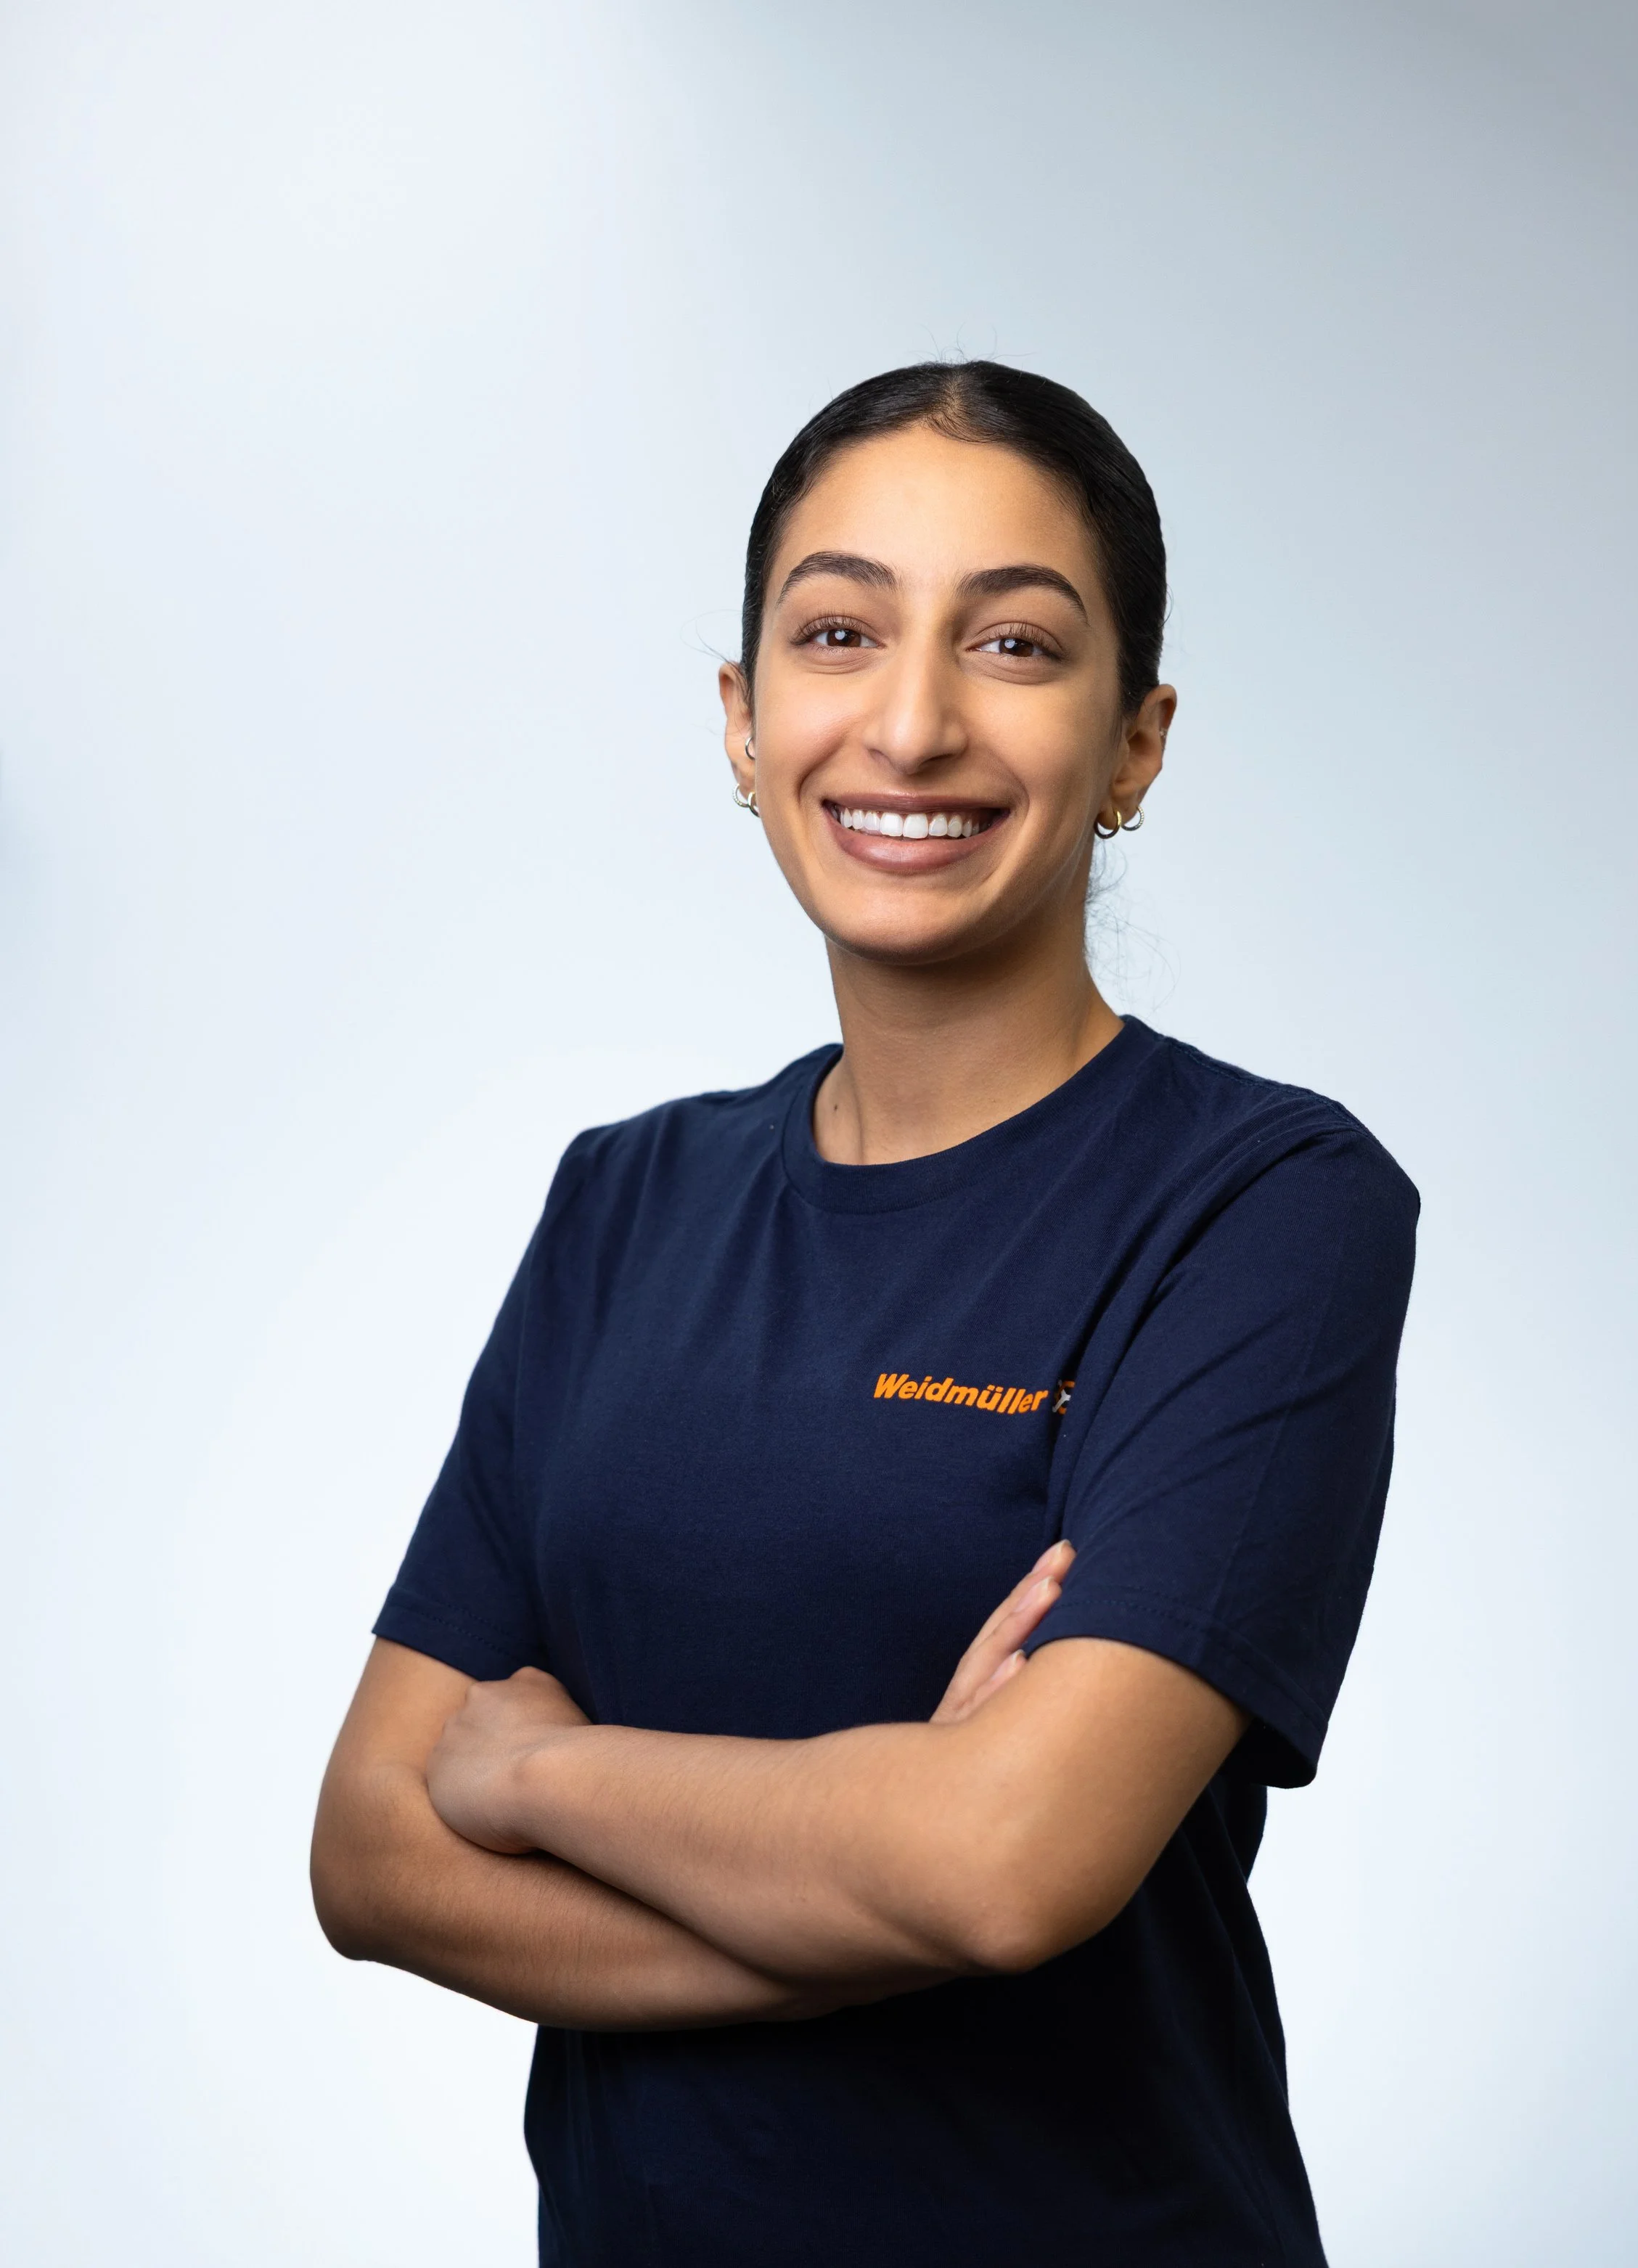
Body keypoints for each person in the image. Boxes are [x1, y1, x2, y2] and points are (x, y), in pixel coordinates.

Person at [311, 359, 1418, 2267]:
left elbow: (1007, 1866)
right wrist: (879, 1850)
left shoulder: (1262, 1206)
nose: (908, 723)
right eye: (837, 633)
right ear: (743, 722)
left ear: (1136, 742)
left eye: (1010, 643)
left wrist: (535, 1771)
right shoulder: (623, 1200)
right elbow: (370, 1852)